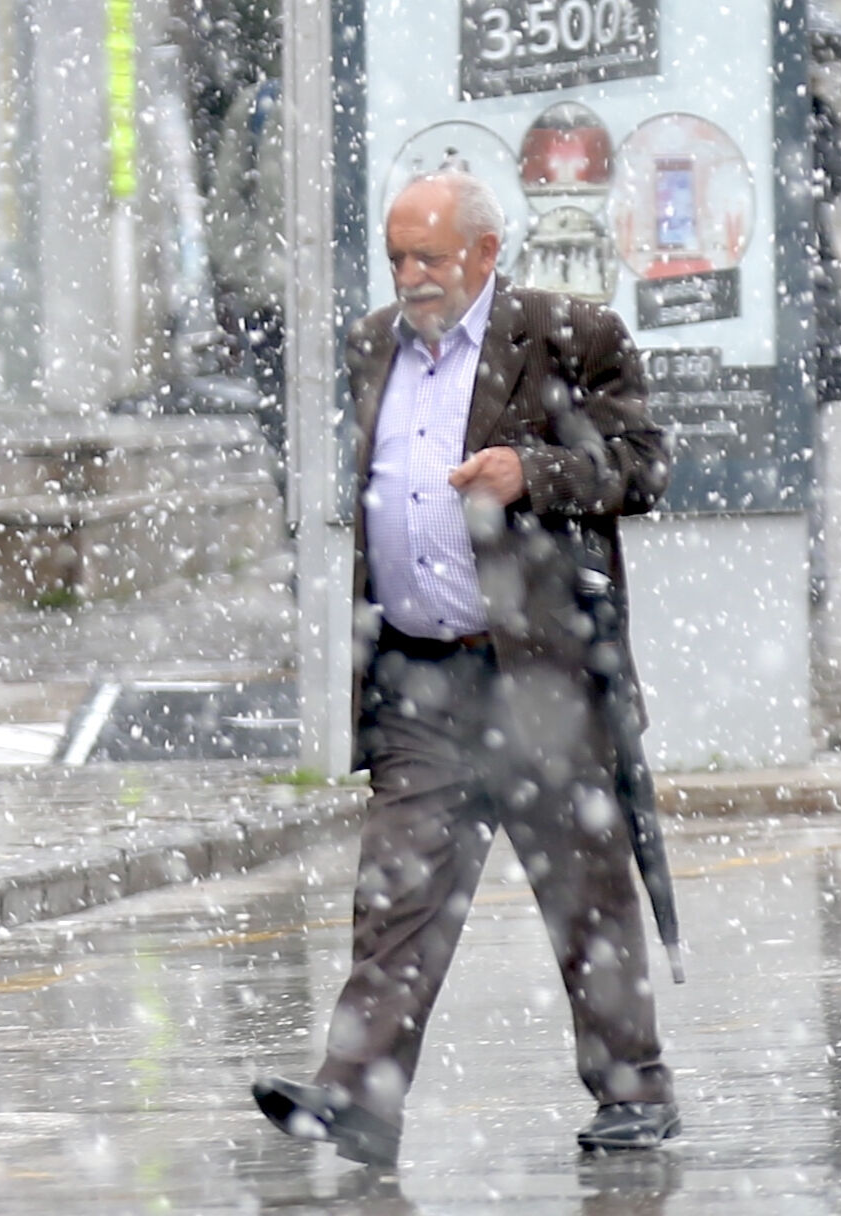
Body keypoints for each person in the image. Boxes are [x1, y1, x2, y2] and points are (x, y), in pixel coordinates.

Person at [253, 167, 680, 1165]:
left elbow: (643, 467)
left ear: (486, 253)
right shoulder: (373, 344)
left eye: (430, 257)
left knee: (583, 895)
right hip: (421, 679)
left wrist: (535, 473)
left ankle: (634, 1092)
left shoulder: (567, 336)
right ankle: (358, 1096)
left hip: (538, 674)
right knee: (394, 899)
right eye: (397, 258)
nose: (411, 276)